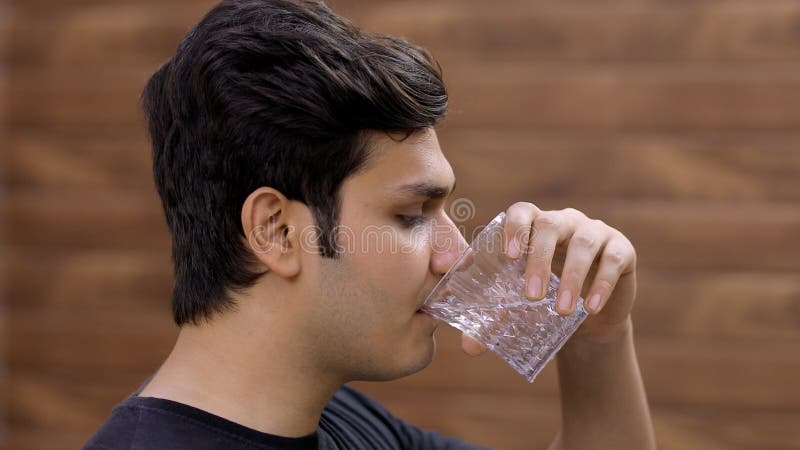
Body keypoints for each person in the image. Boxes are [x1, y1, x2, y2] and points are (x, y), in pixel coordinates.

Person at [83, 0, 657, 448]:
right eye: (411, 216)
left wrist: (597, 338)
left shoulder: (344, 421)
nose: (454, 256)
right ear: (277, 232)